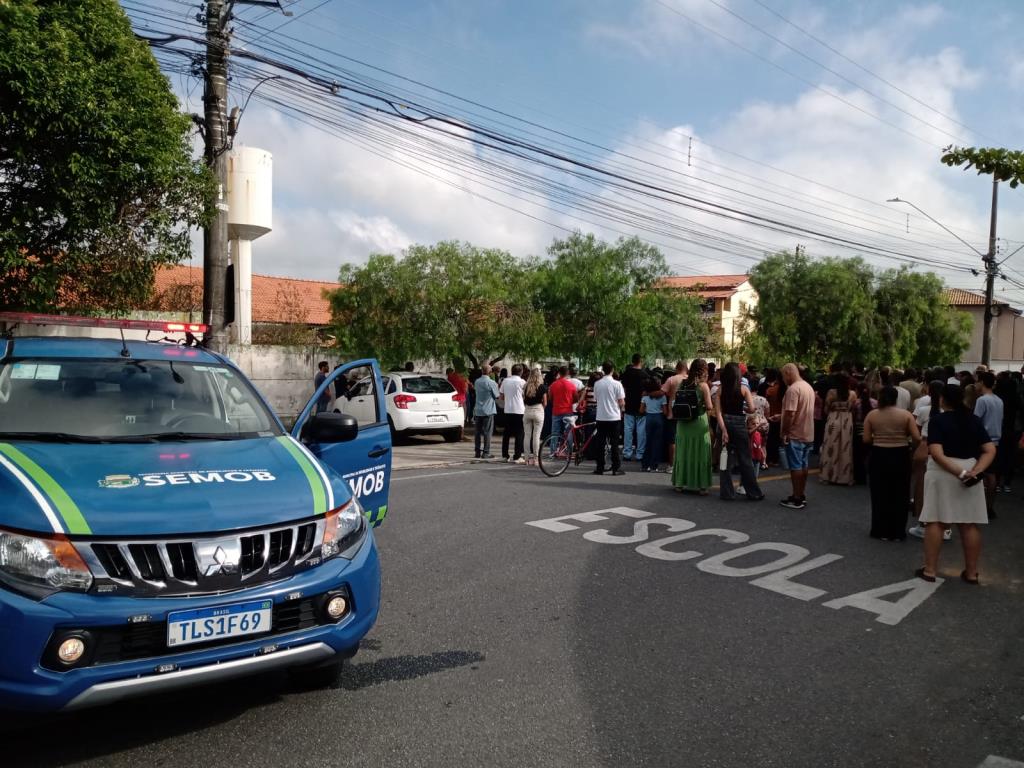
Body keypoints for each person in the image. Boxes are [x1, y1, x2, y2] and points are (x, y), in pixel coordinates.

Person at [916, 384, 996, 584]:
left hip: (942, 472)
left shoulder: (938, 421)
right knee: (969, 523)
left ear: (943, 399)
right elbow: (989, 450)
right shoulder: (974, 420)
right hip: (970, 468)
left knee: (936, 520)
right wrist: (976, 471)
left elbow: (937, 453)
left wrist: (959, 473)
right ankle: (972, 572)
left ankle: (930, 570)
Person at [863, 386, 921, 541]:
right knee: (900, 493)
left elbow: (866, 439)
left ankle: (879, 530)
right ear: (896, 398)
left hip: (879, 455)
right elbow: (917, 437)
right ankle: (897, 531)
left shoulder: (872, 415)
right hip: (900, 454)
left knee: (879, 493)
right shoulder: (906, 415)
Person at [715, 362, 764, 501]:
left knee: (725, 460)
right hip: (739, 424)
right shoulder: (744, 389)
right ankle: (753, 492)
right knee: (745, 459)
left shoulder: (720, 390)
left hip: (724, 422)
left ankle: (726, 493)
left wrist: (724, 430)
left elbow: (718, 413)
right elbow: (752, 409)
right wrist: (745, 409)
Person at [671, 358, 713, 495]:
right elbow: (709, 406)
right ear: (704, 371)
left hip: (683, 423)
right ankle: (702, 486)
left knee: (683, 452)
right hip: (698, 422)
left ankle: (679, 484)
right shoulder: (703, 386)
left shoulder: (682, 384)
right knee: (700, 453)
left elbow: (675, 400)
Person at [779, 363, 815, 509]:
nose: (783, 379)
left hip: (795, 434)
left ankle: (796, 497)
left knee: (795, 466)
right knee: (803, 465)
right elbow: (800, 410)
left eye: (783, 376)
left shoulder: (793, 389)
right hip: (808, 432)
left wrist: (785, 432)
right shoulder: (808, 387)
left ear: (788, 373)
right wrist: (780, 416)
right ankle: (801, 494)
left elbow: (791, 413)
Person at [973, 370, 1002, 520]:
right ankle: (989, 506)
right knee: (992, 475)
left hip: (983, 441)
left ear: (982, 383)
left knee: (980, 472)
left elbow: (976, 421)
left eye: (977, 381)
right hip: (995, 441)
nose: (975, 384)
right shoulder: (998, 400)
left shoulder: (982, 400)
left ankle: (979, 506)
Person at [819, 374, 857, 485]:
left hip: (833, 420)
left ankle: (828, 476)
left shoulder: (831, 393)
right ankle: (845, 477)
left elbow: (826, 409)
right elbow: (853, 409)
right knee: (845, 448)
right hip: (847, 421)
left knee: (831, 447)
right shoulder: (852, 394)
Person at [592, 361, 626, 476]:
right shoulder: (617, 384)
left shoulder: (597, 384)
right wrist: (621, 410)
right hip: (614, 417)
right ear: (612, 370)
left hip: (601, 416)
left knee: (600, 443)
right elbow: (621, 402)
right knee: (614, 443)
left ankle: (600, 467)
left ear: (603, 370)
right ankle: (615, 467)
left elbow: (596, 399)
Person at [994, 372, 1020, 493]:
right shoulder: (1016, 399)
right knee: (1010, 457)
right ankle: (1007, 483)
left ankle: (997, 483)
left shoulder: (997, 399)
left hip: (999, 430)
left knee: (999, 456)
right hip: (1013, 431)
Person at [621, 354, 647, 463]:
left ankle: (627, 453)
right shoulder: (645, 374)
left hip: (629, 404)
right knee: (641, 431)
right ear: (641, 361)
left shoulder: (627, 373)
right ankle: (640, 454)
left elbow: (623, 389)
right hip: (641, 405)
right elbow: (646, 391)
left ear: (632, 361)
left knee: (628, 430)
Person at [661, 361, 688, 465]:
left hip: (673, 413)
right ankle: (684, 463)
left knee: (672, 440)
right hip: (687, 413)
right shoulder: (691, 380)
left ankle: (672, 464)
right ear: (686, 368)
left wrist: (648, 393)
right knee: (685, 439)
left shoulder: (671, 379)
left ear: (677, 369)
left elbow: (662, 392)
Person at [548, 366, 578, 453]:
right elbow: (576, 398)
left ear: (559, 373)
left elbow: (550, 399)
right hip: (568, 411)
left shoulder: (553, 385)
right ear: (567, 373)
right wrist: (569, 402)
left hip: (556, 411)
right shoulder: (571, 385)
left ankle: (553, 451)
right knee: (568, 432)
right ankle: (568, 452)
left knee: (554, 432)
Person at [500, 364, 526, 464]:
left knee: (506, 433)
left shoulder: (505, 381)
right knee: (519, 433)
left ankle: (505, 455)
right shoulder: (522, 382)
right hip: (519, 410)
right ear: (521, 372)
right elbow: (525, 396)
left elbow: (501, 396)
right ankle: (517, 456)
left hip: (508, 409)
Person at [640, 378, 668, 472]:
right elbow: (665, 412)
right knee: (657, 442)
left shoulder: (645, 396)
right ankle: (654, 465)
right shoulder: (662, 397)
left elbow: (641, 410)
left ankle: (645, 465)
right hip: (658, 418)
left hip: (649, 417)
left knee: (648, 441)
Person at [473, 363, 499, 460]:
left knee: (477, 432)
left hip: (478, 409)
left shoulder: (477, 381)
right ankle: (486, 452)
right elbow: (496, 395)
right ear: (490, 372)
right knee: (487, 432)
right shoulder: (492, 382)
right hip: (488, 410)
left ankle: (477, 451)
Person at [522, 366, 548, 466]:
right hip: (538, 410)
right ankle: (536, 459)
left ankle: (526, 459)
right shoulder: (542, 387)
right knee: (536, 436)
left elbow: (524, 400)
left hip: (527, 410)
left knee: (527, 435)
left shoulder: (525, 386)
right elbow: (545, 403)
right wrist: (541, 409)